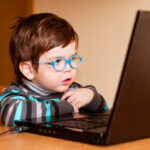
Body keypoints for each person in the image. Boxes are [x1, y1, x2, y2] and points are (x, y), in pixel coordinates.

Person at [0, 13, 108, 126]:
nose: (68, 68)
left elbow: (103, 109)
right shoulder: (15, 93)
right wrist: (66, 107)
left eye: (72, 59)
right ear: (29, 70)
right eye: (57, 61)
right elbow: (13, 113)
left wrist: (91, 97)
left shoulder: (73, 89)